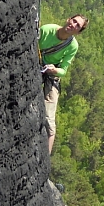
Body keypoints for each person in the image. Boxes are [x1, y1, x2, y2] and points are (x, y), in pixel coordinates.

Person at [39, 14, 88, 153]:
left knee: (49, 120)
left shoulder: (72, 46)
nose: (73, 25)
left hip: (50, 73)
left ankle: (45, 159)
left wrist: (54, 70)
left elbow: (63, 70)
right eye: (74, 21)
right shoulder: (47, 30)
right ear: (68, 19)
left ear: (78, 33)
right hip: (36, 63)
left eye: (77, 25)